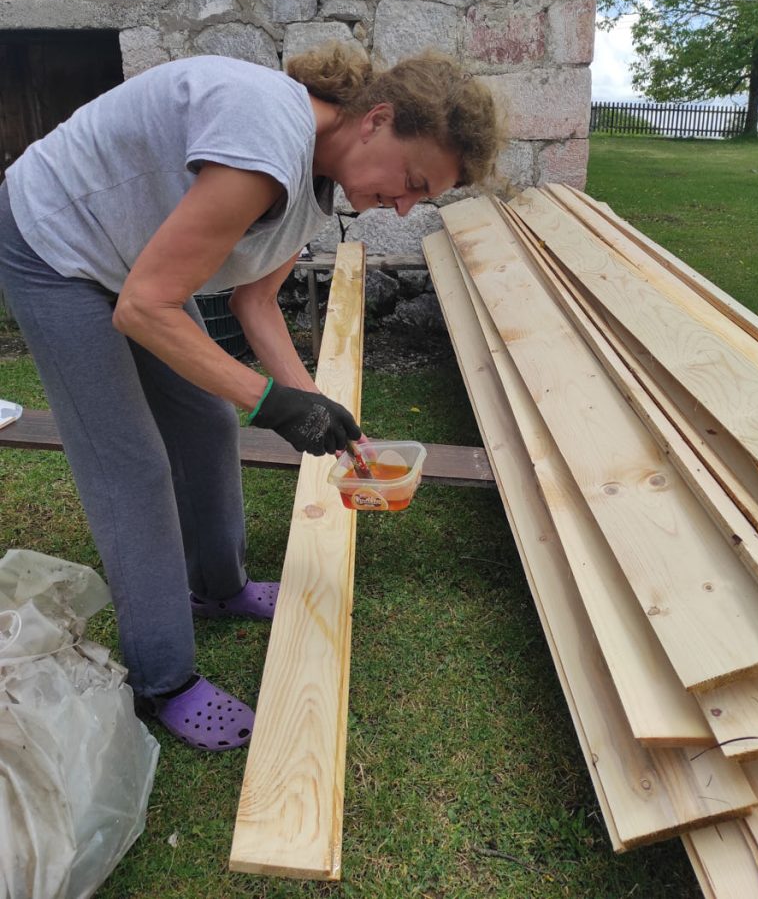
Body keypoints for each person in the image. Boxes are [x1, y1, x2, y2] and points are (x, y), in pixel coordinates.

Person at [0, 43, 502, 751]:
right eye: (413, 181)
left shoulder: (318, 185)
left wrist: (315, 404)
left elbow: (254, 302)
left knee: (208, 421)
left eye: (423, 198)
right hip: (52, 243)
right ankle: (164, 680)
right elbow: (145, 308)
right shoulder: (266, 135)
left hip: (131, 261)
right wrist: (271, 405)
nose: (403, 207)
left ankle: (218, 587)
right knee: (131, 465)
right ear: (377, 120)